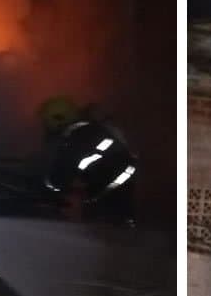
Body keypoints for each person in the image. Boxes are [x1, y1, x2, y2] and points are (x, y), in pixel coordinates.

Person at [38, 96, 137, 226]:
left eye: (46, 123)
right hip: (117, 190)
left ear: (57, 119)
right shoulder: (91, 130)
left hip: (109, 195)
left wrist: (46, 188)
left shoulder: (77, 136)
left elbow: (62, 172)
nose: (46, 129)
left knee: (107, 233)